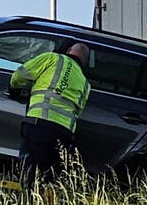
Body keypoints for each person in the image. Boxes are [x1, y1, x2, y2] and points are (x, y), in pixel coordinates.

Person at [9, 43, 91, 187]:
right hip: (64, 134)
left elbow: (20, 74)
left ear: (68, 51)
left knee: (29, 168)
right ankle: (43, 203)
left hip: (39, 124)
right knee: (49, 175)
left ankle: (27, 199)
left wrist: (14, 89)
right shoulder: (85, 84)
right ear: (84, 62)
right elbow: (78, 111)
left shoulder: (52, 59)